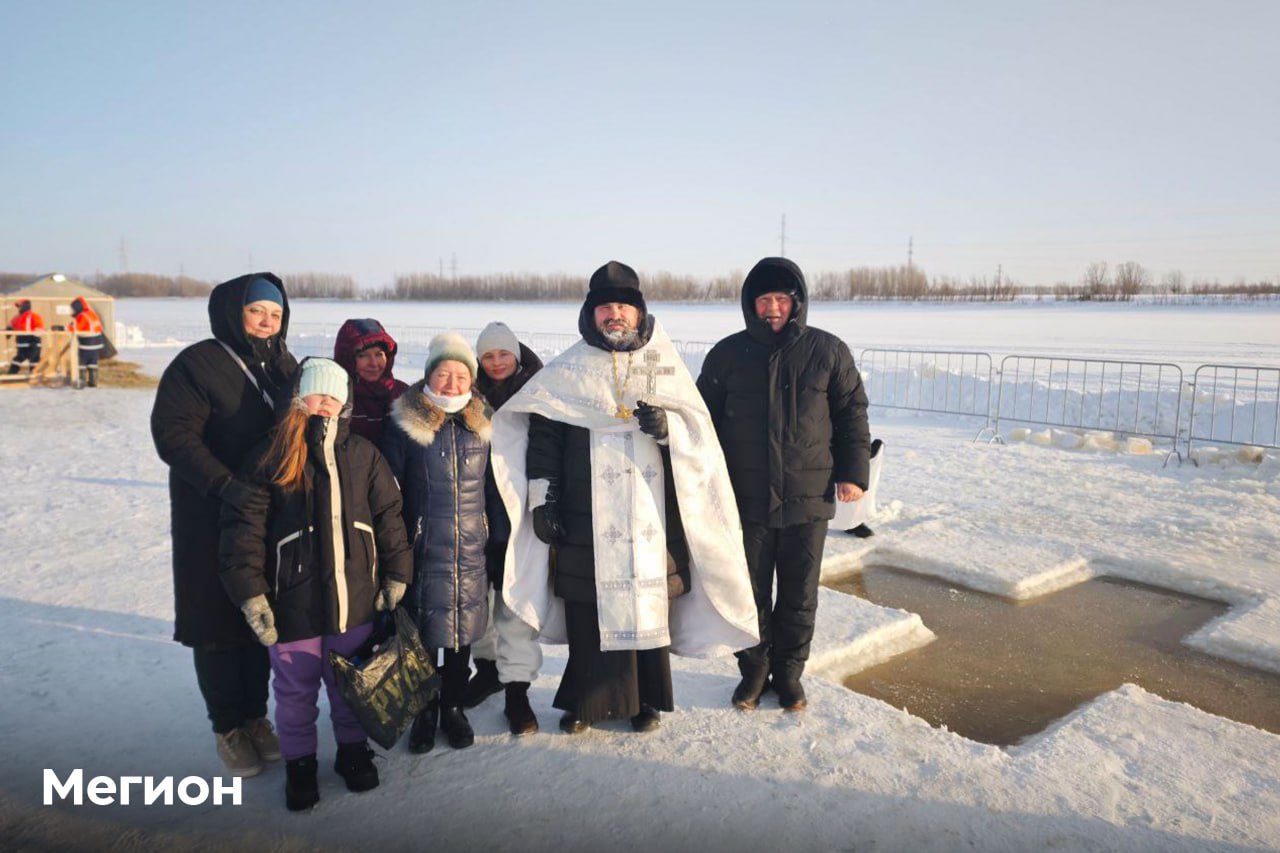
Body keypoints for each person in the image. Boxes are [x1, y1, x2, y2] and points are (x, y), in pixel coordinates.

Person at [489, 261, 758, 735]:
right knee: (589, 615)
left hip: (650, 519)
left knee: (649, 609)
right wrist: (541, 501)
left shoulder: (664, 364)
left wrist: (669, 429)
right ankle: (585, 704)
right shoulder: (568, 371)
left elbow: (700, 437)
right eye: (605, 307)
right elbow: (544, 441)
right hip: (585, 519)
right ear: (590, 314)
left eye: (623, 307)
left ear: (639, 313)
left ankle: (645, 701)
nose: (614, 315)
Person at [220, 357, 413, 812]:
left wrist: (397, 572)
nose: (325, 404)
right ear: (297, 398)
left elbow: (389, 516)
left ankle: (352, 751)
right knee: (295, 692)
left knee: (352, 686)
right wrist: (251, 594)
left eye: (333, 397)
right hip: (293, 604)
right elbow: (243, 530)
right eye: (317, 394)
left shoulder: (363, 454)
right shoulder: (271, 454)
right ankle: (300, 763)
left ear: (345, 405)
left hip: (355, 599)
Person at [697, 257, 871, 713]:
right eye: (763, 300)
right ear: (749, 304)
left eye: (781, 299)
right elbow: (701, 421)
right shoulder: (727, 355)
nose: (772, 308)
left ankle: (790, 674)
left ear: (797, 302)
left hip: (808, 499)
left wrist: (853, 473)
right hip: (745, 499)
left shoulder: (828, 351)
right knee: (749, 593)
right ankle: (754, 672)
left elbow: (852, 414)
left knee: (799, 595)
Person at [150, 273, 297, 777]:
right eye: (257, 311)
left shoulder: (283, 366)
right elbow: (173, 435)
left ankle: (256, 717)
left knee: (259, 617)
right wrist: (224, 484)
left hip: (266, 515)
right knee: (215, 620)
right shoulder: (197, 364)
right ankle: (228, 726)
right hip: (208, 512)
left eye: (275, 314)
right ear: (234, 313)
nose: (267, 322)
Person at [381, 332, 494, 753]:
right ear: (429, 375)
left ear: (471, 380)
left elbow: (496, 490)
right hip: (423, 550)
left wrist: (496, 540)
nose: (452, 383)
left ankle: (453, 707)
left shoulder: (482, 423)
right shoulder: (406, 424)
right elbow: (389, 494)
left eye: (461, 375)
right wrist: (397, 549)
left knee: (462, 638)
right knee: (425, 639)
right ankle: (425, 711)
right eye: (443, 374)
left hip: (471, 550)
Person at [464, 321, 545, 735]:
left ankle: (517, 689)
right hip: (475, 514)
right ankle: (488, 669)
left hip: (520, 514)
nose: (496, 362)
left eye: (503, 354)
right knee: (478, 602)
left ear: (516, 354)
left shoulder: (538, 391)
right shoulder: (465, 395)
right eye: (488, 356)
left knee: (516, 605)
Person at [332, 318, 409, 443]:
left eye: (379, 354)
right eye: (363, 355)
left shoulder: (403, 395)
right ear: (347, 358)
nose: (374, 363)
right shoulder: (335, 398)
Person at [68, 296, 106, 387]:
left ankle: (82, 382)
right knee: (93, 362)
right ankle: (93, 382)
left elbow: (77, 328)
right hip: (97, 343)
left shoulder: (82, 316)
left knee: (82, 362)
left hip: (87, 343)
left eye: (73, 309)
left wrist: (66, 328)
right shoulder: (91, 313)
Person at [8, 299, 44, 375]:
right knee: (33, 359)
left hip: (29, 342)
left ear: (25, 306)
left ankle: (12, 373)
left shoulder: (32, 316)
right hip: (28, 342)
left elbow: (39, 329)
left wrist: (9, 332)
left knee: (23, 358)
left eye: (20, 306)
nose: (19, 308)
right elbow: (10, 326)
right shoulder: (18, 317)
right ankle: (33, 374)